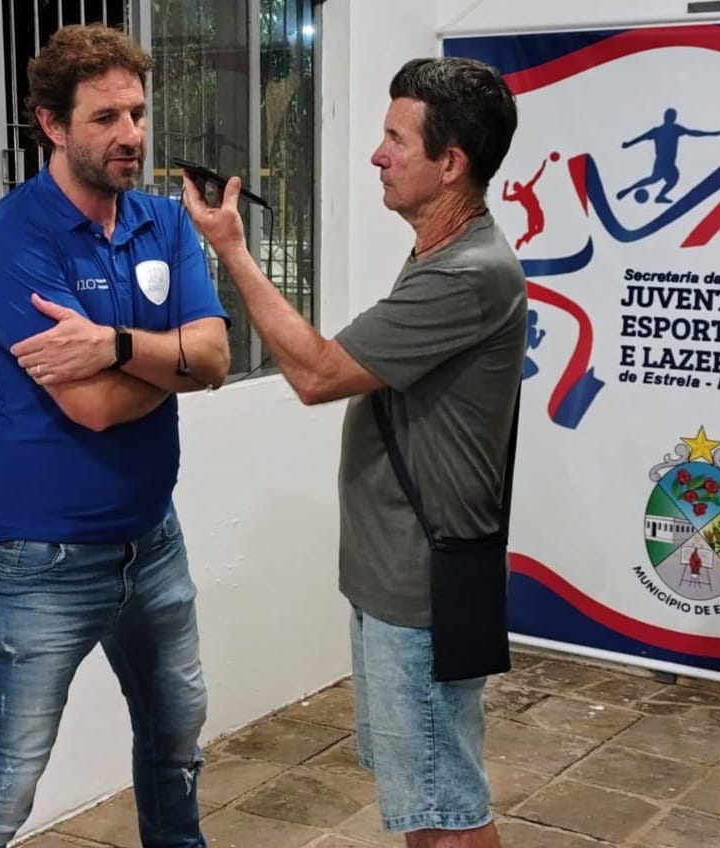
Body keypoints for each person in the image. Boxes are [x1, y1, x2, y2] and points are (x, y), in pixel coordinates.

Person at [183, 57, 526, 848]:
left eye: (395, 139)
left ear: (450, 163)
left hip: (421, 586)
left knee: (445, 816)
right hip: (396, 578)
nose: (377, 154)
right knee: (421, 805)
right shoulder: (438, 254)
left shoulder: (467, 273)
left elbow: (316, 373)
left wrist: (233, 250)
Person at [0, 23, 230, 848]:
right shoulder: (6, 239)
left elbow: (216, 355)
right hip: (42, 555)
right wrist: (170, 360)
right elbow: (96, 407)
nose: (130, 134)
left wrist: (114, 345)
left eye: (136, 113)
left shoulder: (162, 222)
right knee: (1, 792)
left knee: (177, 746)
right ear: (51, 124)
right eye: (105, 118)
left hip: (152, 538)